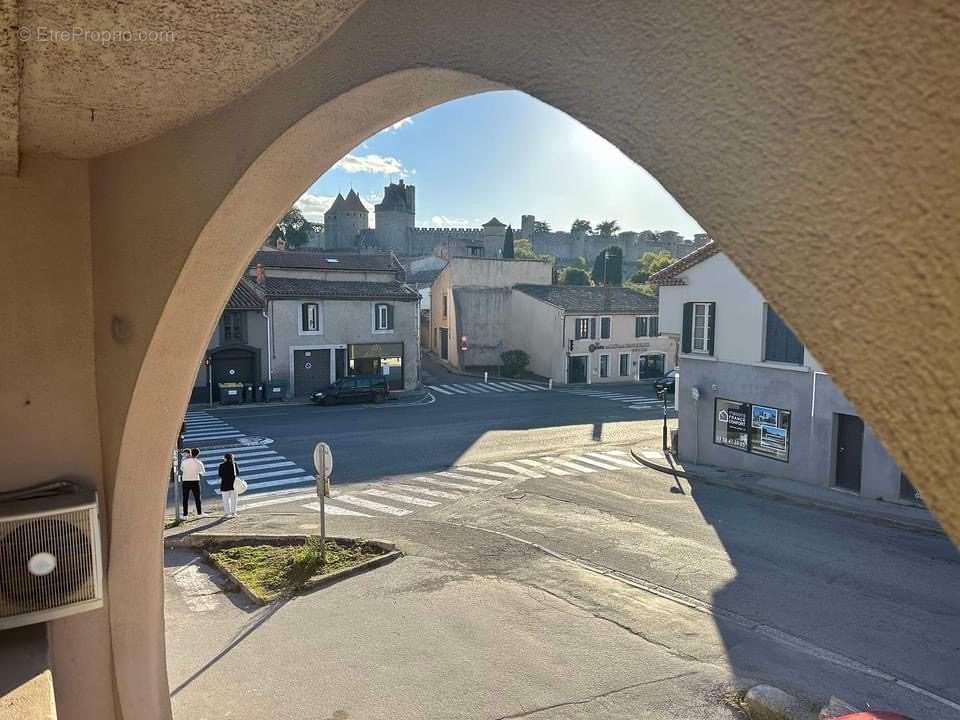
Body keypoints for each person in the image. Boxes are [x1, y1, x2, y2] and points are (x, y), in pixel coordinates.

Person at [180, 447, 205, 517]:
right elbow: (202, 472)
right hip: (195, 481)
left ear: (190, 453)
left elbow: (181, 469)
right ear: (197, 455)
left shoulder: (184, 461)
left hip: (185, 480)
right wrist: (197, 471)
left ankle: (185, 515)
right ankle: (199, 513)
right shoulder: (199, 462)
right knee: (197, 498)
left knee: (185, 498)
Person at [218, 453, 240, 518]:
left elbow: (220, 474)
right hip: (233, 484)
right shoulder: (234, 464)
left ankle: (227, 513)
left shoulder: (221, 465)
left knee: (226, 500)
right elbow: (238, 473)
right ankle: (234, 513)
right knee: (234, 499)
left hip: (224, 484)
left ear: (225, 458)